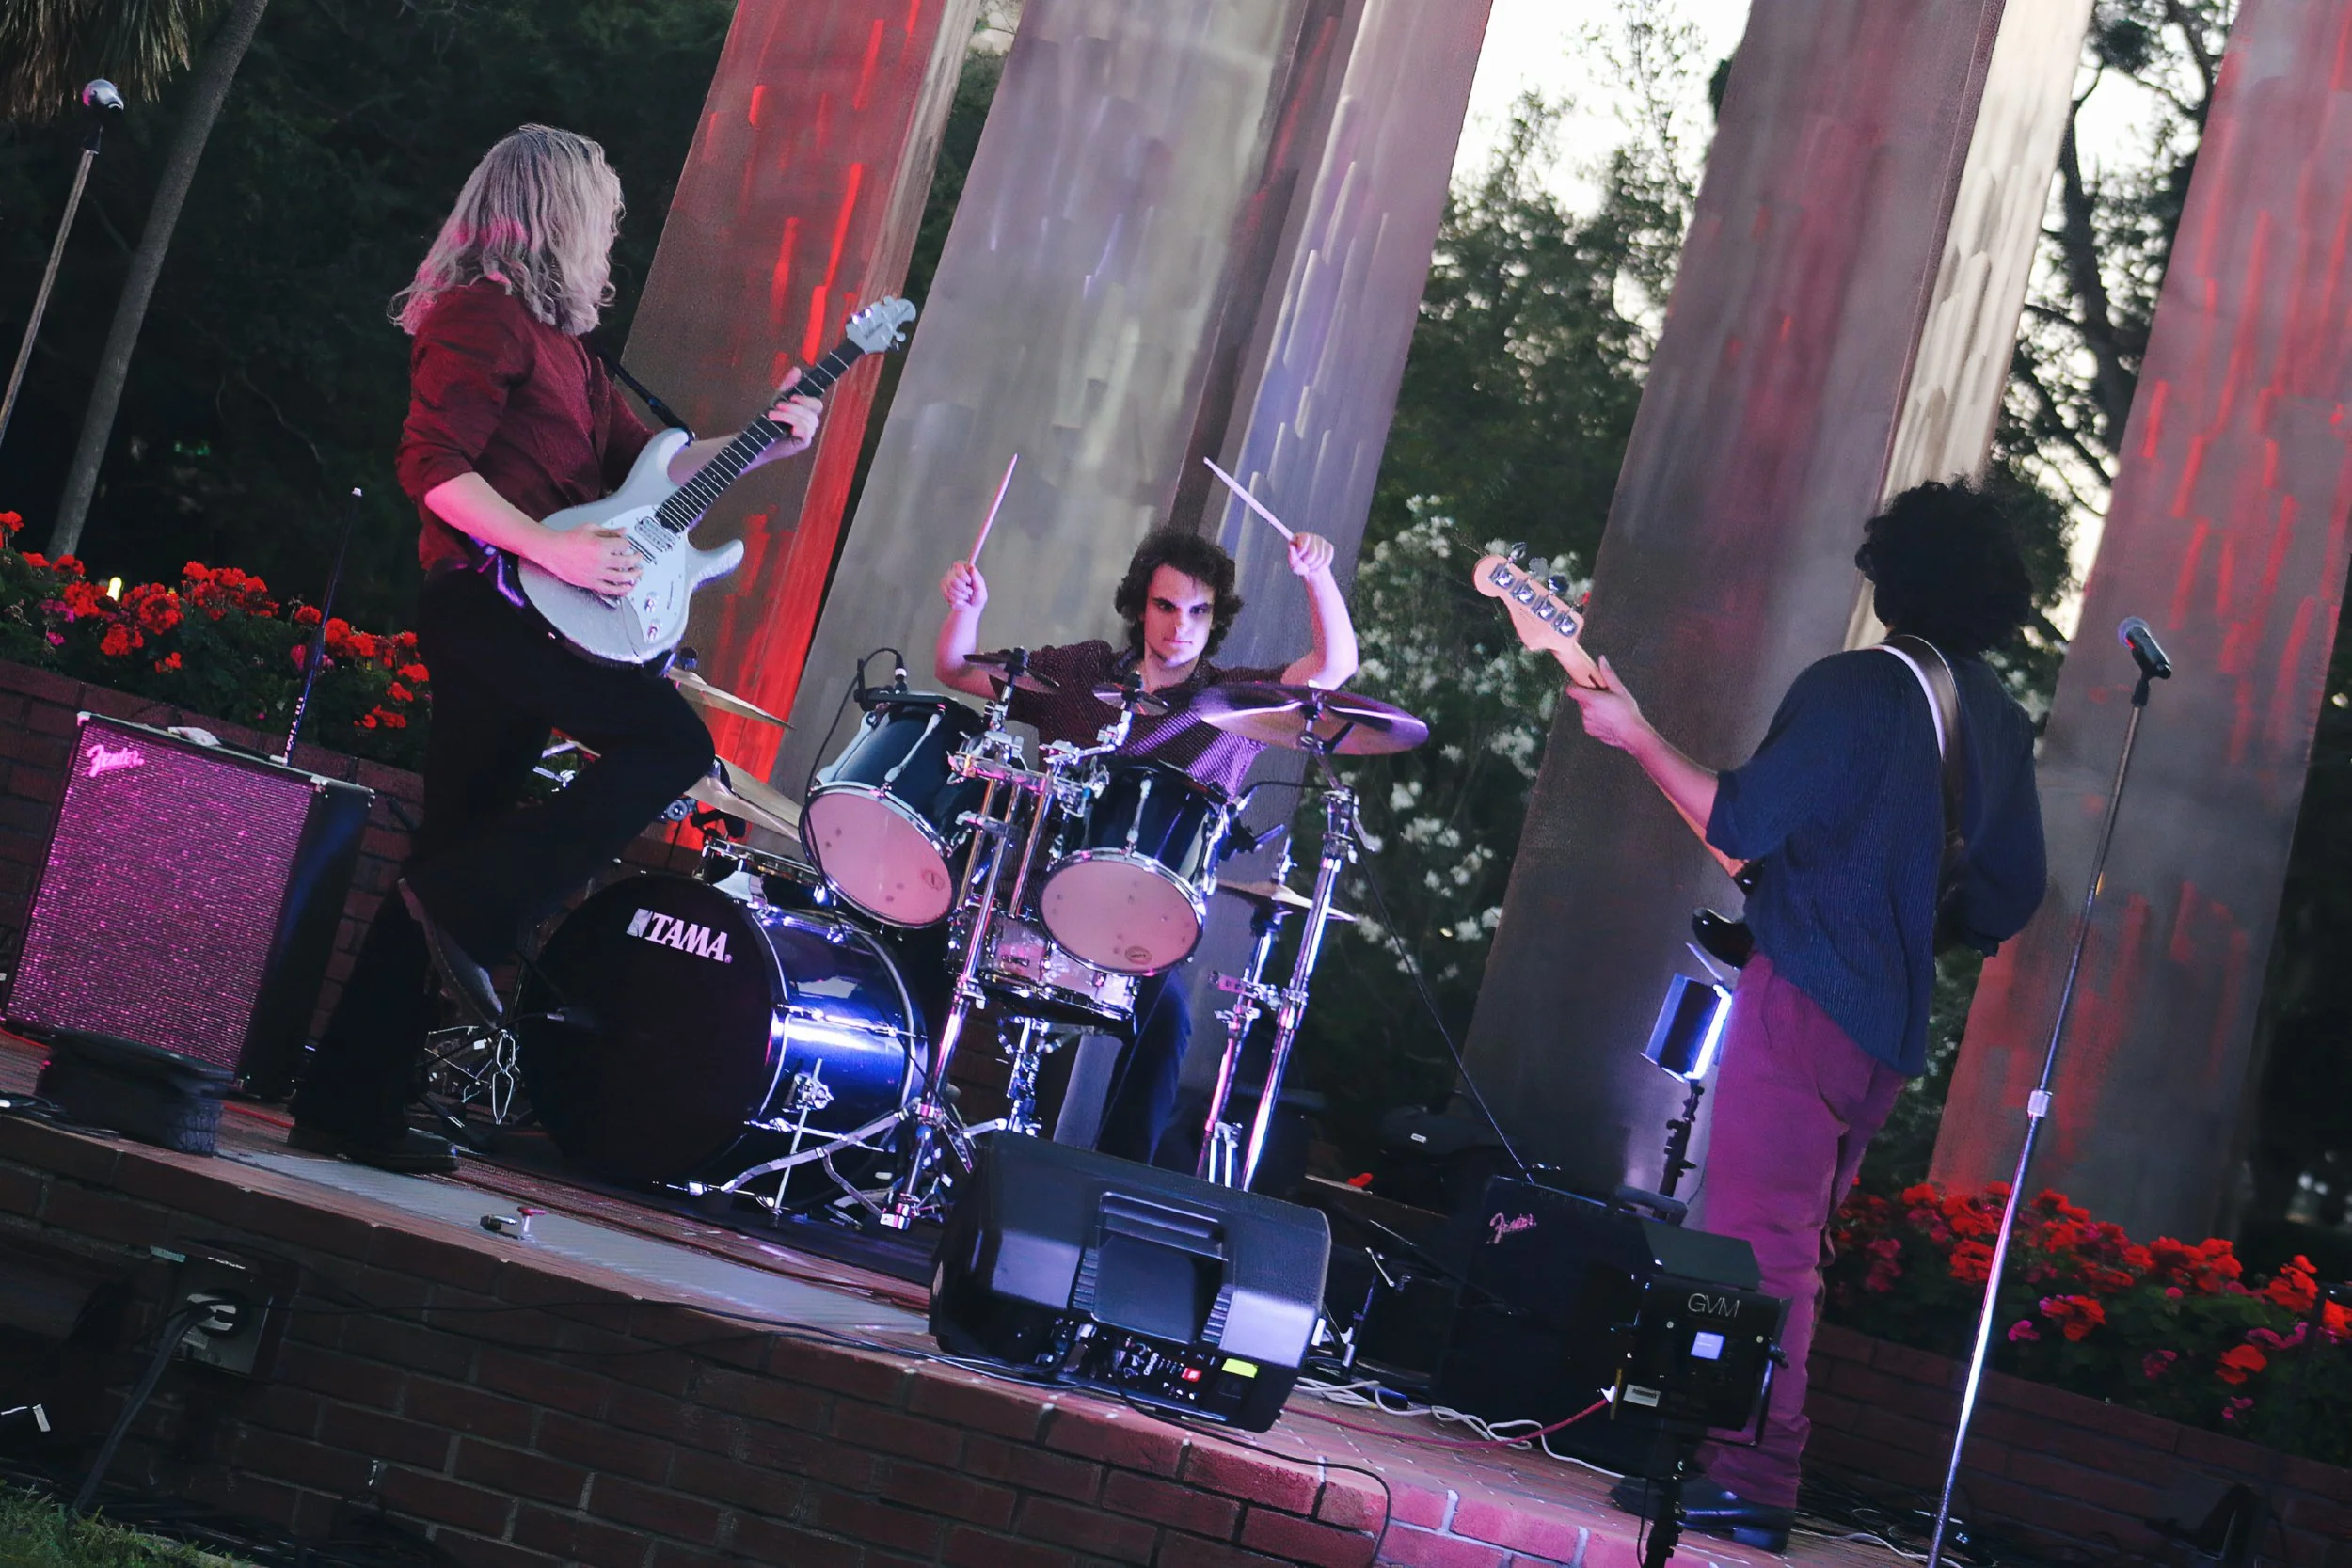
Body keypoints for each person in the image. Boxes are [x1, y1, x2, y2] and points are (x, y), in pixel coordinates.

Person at [289, 125, 823, 1174]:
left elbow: (652, 468)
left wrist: (765, 436)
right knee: (668, 744)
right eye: (607, 210)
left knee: (450, 846)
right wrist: (551, 550)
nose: (616, 228)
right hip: (487, 601)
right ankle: (478, 905)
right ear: (558, 212)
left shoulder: (566, 349)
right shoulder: (480, 318)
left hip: (526, 611)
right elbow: (431, 469)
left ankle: (347, 1100)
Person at [1567, 479, 2047, 1549]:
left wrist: (1634, 732)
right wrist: (1896, 903)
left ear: (1893, 577)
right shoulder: (1999, 719)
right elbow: (2010, 894)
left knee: (1756, 1246)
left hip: (1804, 999)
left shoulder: (1858, 687)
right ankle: (1727, 1456)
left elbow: (1742, 815)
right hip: (1885, 1023)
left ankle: (1747, 1475)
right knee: (1790, 1241)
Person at [933, 525, 1358, 1163]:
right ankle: (907, 1126)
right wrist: (965, 612)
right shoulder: (1079, 673)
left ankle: (1110, 1190)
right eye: (1166, 605)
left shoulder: (1233, 703)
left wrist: (1316, 575)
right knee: (935, 942)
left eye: (1199, 610)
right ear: (1140, 604)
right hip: (1042, 897)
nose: (1180, 625)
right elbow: (955, 670)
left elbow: (1333, 668)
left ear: (1216, 618)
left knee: (1165, 1025)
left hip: (1148, 930)